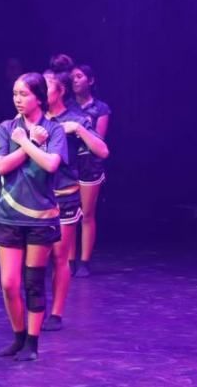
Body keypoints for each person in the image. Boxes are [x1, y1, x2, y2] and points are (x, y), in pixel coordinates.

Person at [0, 72, 67, 361]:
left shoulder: (54, 129)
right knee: (9, 283)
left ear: (39, 97)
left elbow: (50, 164)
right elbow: (1, 167)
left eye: (24, 94)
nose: (18, 99)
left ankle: (32, 344)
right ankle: (18, 337)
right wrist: (26, 143)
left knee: (33, 281)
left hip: (40, 217)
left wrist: (26, 142)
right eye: (15, 94)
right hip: (8, 215)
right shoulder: (7, 127)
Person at [41, 70, 108, 331]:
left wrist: (79, 129)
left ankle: (56, 313)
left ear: (60, 91)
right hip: (36, 195)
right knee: (33, 260)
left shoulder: (76, 118)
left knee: (60, 257)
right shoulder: (31, 118)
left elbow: (102, 150)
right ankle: (35, 311)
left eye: (46, 87)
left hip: (65, 193)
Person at [69, 64, 111, 277]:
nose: (75, 80)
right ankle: (68, 261)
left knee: (87, 214)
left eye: (79, 76)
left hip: (89, 164)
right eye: (72, 77)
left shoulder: (101, 108)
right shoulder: (66, 106)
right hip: (69, 163)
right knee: (68, 215)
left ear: (90, 81)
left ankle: (84, 262)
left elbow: (99, 140)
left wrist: (80, 129)